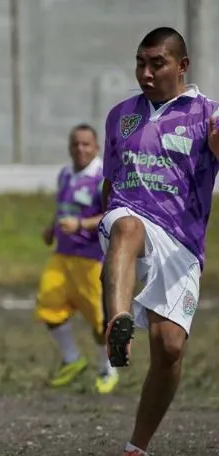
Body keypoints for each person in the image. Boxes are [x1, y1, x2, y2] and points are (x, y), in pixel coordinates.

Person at [99, 27, 219, 456]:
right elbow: (108, 184)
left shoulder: (207, 114)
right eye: (140, 63)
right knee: (126, 228)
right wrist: (106, 220)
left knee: (168, 350)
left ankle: (136, 448)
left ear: (182, 66)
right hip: (128, 218)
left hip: (182, 241)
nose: (145, 73)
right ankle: (117, 320)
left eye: (157, 63)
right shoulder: (121, 115)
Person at [35, 123, 118, 394]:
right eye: (75, 144)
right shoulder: (65, 174)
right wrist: (51, 227)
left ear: (96, 148)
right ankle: (73, 359)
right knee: (48, 306)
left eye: (86, 144)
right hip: (62, 256)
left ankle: (108, 369)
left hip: (92, 259)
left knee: (99, 322)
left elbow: (111, 215)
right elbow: (63, 209)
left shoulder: (102, 178)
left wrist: (82, 225)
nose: (80, 149)